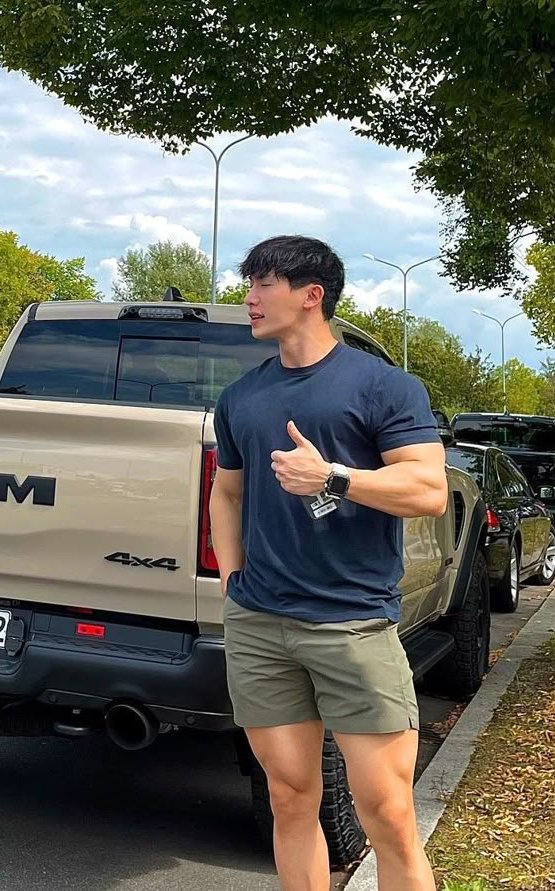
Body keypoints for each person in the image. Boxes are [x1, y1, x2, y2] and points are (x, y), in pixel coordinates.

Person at [209, 235, 447, 891]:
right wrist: (233, 577)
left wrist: (334, 477)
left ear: (312, 295)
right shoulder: (242, 397)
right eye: (249, 281)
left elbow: (428, 491)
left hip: (351, 625)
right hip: (261, 624)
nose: (250, 296)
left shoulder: (383, 386)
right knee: (289, 798)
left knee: (389, 815)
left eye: (264, 282)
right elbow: (225, 491)